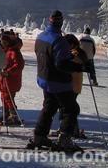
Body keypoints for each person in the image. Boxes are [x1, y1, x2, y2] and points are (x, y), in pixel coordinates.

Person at [28, 10, 85, 152]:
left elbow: (47, 55)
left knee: (49, 107)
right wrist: (79, 66)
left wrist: (67, 58)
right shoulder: (59, 40)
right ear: (60, 22)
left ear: (49, 21)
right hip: (58, 81)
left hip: (44, 78)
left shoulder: (41, 36)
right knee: (71, 109)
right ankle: (65, 139)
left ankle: (39, 135)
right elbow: (61, 64)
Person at [63, 34, 89, 139]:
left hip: (73, 83)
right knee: (68, 107)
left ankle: (72, 129)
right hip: (71, 82)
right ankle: (69, 128)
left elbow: (78, 62)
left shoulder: (76, 52)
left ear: (72, 44)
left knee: (69, 107)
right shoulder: (75, 51)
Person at [0, 31, 24, 125]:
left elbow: (19, 65)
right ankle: (5, 114)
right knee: (4, 97)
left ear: (8, 42)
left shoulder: (14, 52)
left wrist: (8, 72)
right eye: (1, 41)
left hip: (11, 80)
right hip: (4, 79)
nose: (2, 43)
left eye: (3, 42)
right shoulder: (6, 50)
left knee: (8, 97)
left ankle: (13, 116)